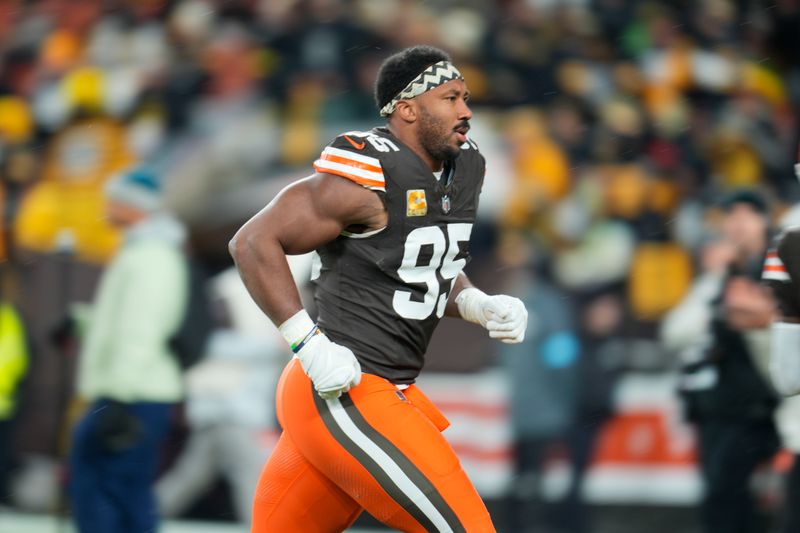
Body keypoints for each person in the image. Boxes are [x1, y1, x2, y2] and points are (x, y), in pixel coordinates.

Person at [229, 45, 528, 532]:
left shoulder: (461, 170)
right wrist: (307, 342)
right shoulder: (369, 173)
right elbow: (253, 241)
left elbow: (420, 264)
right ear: (407, 109)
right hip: (345, 387)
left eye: (466, 98)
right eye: (451, 98)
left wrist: (474, 301)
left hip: (380, 389)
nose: (466, 111)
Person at [68, 168, 188, 533]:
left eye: (114, 199)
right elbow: (128, 322)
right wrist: (80, 322)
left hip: (132, 394)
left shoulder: (151, 256)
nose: (107, 207)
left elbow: (142, 331)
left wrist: (119, 395)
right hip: (136, 389)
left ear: (135, 206)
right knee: (123, 490)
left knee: (105, 490)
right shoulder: (145, 251)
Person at [662, 190, 779, 533]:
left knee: (762, 508)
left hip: (766, 410)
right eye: (732, 215)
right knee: (721, 503)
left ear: (764, 222)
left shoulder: (779, 270)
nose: (739, 223)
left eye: (749, 214)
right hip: (721, 412)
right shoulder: (719, 278)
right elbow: (675, 332)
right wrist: (715, 280)